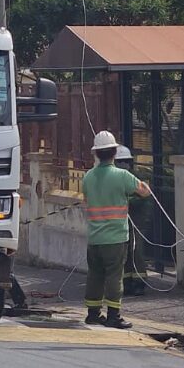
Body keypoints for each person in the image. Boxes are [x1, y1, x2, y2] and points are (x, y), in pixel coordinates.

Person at [81, 131, 150, 329]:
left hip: (94, 238)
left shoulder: (88, 177)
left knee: (94, 275)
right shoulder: (122, 176)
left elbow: (86, 200)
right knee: (114, 275)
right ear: (114, 152)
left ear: (96, 153)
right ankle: (113, 315)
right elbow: (144, 192)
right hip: (115, 237)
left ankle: (93, 314)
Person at [115, 146, 149, 297]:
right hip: (122, 220)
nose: (123, 165)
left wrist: (126, 200)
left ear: (130, 163)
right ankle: (127, 282)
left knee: (137, 250)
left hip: (138, 219)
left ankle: (139, 282)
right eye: (119, 162)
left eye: (125, 162)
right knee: (125, 252)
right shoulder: (116, 178)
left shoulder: (138, 178)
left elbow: (143, 197)